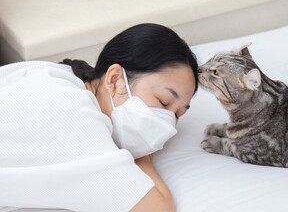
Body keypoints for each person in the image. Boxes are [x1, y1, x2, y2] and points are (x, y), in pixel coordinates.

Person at [0, 23, 198, 212]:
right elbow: (155, 208)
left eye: (177, 115)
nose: (168, 124)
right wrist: (140, 152)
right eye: (163, 102)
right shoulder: (77, 123)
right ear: (114, 79)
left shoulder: (55, 75)